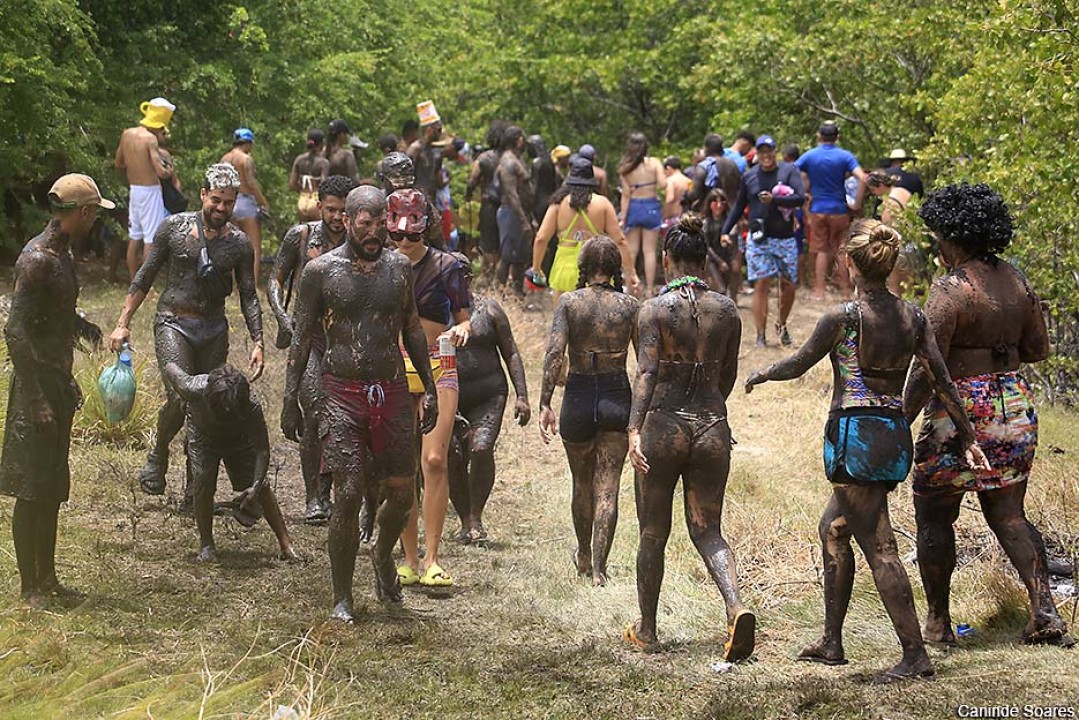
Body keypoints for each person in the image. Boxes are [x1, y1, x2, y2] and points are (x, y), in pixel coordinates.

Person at [745, 218, 989, 681]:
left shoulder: (845, 317)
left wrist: (762, 373)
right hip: (892, 432)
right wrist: (971, 437)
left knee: (881, 547)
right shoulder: (912, 317)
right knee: (834, 530)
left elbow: (799, 363)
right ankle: (832, 641)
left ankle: (915, 656)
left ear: (851, 264)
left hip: (855, 438)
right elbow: (940, 378)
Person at [904, 183, 1073, 648]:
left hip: (959, 411)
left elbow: (929, 364)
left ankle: (937, 625)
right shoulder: (1017, 281)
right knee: (1010, 514)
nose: (936, 246)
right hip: (1013, 403)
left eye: (938, 237)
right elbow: (1037, 349)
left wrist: (899, 419)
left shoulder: (951, 288)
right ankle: (1044, 611)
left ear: (955, 238)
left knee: (934, 516)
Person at [282, 185, 437, 621]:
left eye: (378, 222)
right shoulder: (322, 272)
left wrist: (427, 386)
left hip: (390, 390)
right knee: (348, 494)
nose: (371, 232)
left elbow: (411, 330)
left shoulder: (398, 269)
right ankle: (342, 596)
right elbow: (302, 337)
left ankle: (382, 553)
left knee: (403, 495)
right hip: (341, 392)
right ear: (346, 222)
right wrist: (290, 398)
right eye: (362, 223)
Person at [624, 215, 753, 661]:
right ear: (704, 260)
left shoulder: (654, 310)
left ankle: (648, 630)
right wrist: (711, 406)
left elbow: (647, 372)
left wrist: (635, 428)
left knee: (653, 531)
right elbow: (729, 374)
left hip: (664, 427)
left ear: (666, 261)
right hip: (713, 427)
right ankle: (736, 607)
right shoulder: (728, 310)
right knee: (708, 529)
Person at [110, 163, 265, 497]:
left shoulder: (239, 244)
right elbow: (145, 276)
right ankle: (159, 451)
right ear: (203, 195)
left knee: (208, 403)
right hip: (173, 323)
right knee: (182, 395)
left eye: (228, 202)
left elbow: (250, 295)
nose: (221, 208)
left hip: (213, 329)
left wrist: (258, 341)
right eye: (216, 201)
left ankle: (196, 487)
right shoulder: (173, 228)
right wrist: (123, 322)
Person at [1, 174, 110, 608]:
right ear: (82, 213)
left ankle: (48, 578)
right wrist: (35, 398)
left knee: (51, 487)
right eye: (95, 213)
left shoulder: (64, 255)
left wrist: (84, 329)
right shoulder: (38, 259)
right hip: (34, 384)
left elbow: (55, 314)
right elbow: (15, 331)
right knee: (31, 490)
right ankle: (30, 589)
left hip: (55, 379)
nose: (96, 221)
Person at [540, 236, 638, 586]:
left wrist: (545, 403)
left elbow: (554, 354)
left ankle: (583, 554)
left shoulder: (570, 302)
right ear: (614, 268)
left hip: (579, 397)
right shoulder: (629, 306)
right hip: (616, 396)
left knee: (581, 484)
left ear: (583, 268)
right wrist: (641, 416)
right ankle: (600, 569)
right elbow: (643, 366)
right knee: (608, 487)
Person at [388, 188, 473, 588]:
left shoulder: (447, 266)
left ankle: (433, 557)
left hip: (439, 362)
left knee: (434, 459)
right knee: (402, 465)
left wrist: (461, 329)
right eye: (398, 236)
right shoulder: (383, 266)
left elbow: (465, 316)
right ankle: (407, 557)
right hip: (393, 365)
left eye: (412, 236)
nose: (404, 243)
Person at [269, 175, 354, 524]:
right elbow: (275, 279)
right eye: (331, 209)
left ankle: (340, 490)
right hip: (311, 337)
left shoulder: (360, 240)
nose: (337, 217)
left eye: (344, 211)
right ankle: (313, 498)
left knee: (346, 418)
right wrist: (281, 316)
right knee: (315, 410)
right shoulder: (300, 236)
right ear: (319, 206)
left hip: (348, 340)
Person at [163, 363, 300, 563]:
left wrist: (254, 486)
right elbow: (169, 366)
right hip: (202, 435)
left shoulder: (251, 406)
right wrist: (177, 400)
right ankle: (207, 545)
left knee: (263, 487)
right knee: (203, 480)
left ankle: (286, 544)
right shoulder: (191, 387)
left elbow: (262, 449)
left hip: (238, 439)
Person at [449, 279, 531, 544]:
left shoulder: (490, 310)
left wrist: (522, 396)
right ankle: (463, 520)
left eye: (460, 275)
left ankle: (476, 516)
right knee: (453, 457)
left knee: (481, 448)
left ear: (470, 279)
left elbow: (512, 353)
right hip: (449, 395)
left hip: (489, 394)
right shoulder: (433, 309)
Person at [721, 135, 805, 346]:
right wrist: (725, 230)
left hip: (785, 237)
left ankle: (782, 324)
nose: (766, 156)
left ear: (775, 152)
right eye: (761, 152)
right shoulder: (749, 177)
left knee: (788, 284)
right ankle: (760, 335)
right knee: (761, 283)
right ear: (757, 154)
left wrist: (774, 200)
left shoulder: (789, 171)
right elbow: (739, 206)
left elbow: (800, 198)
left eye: (769, 151)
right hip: (759, 238)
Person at [530, 157, 638, 300]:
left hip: (564, 268)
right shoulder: (603, 204)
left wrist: (536, 269)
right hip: (597, 270)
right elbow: (620, 240)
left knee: (563, 318)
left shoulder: (558, 204)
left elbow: (541, 238)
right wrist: (631, 273)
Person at [795, 121, 867, 301]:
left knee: (821, 250)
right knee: (841, 249)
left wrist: (802, 194)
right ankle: (846, 291)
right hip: (839, 209)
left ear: (819, 136)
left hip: (818, 208)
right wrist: (857, 204)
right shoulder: (845, 156)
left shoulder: (810, 156)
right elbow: (863, 178)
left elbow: (791, 171)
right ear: (837, 137)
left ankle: (819, 291)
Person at [115, 97, 177, 280]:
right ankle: (145, 283)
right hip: (150, 190)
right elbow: (160, 172)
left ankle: (134, 279)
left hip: (134, 190)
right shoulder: (150, 140)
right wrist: (170, 169)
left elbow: (118, 163)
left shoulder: (127, 134)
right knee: (151, 238)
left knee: (135, 237)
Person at [618, 133, 667, 296]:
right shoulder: (654, 163)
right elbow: (663, 184)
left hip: (634, 206)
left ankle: (630, 287)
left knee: (631, 250)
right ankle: (650, 289)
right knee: (650, 251)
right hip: (651, 205)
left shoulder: (625, 167)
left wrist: (623, 218)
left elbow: (625, 195)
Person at [221, 128, 271, 282]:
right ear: (248, 143)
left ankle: (233, 284)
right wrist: (263, 202)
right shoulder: (245, 159)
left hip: (229, 201)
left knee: (233, 245)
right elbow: (250, 182)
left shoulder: (224, 158)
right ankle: (252, 284)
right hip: (246, 202)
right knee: (253, 247)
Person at [465, 122, 507, 281]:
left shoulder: (483, 158)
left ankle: (490, 276)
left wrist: (468, 195)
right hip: (507, 204)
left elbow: (472, 182)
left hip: (488, 203)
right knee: (503, 241)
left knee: (489, 243)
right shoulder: (509, 158)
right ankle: (501, 277)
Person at [496, 126, 535, 294]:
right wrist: (523, 220)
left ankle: (518, 293)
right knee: (507, 257)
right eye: (522, 138)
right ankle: (498, 292)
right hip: (511, 214)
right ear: (518, 140)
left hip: (519, 214)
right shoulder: (509, 162)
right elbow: (511, 194)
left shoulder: (517, 159)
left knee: (520, 257)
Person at [684, 133, 742, 217]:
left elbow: (693, 194)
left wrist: (687, 193)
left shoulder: (704, 166)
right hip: (730, 213)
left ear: (706, 149)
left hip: (709, 215)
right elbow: (739, 188)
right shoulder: (733, 165)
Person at [408, 100, 446, 204]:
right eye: (438, 130)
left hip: (431, 199)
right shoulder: (415, 149)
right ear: (429, 130)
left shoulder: (434, 150)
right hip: (416, 200)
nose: (440, 134)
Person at [701, 188, 738, 296]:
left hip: (728, 257)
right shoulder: (706, 223)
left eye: (722, 202)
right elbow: (706, 246)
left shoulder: (730, 222)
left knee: (729, 284)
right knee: (720, 289)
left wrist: (733, 258)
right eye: (715, 202)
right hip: (712, 260)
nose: (719, 206)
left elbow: (734, 242)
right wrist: (719, 261)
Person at [289, 128, 330, 222]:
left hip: (302, 200)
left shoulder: (299, 160)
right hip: (315, 200)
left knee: (304, 231)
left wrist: (302, 190)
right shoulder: (323, 163)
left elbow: (292, 184)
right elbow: (324, 185)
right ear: (322, 143)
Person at [528, 134, 558, 225]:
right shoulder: (550, 161)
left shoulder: (536, 162)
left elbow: (534, 186)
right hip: (549, 199)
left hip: (539, 202)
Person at [325, 119, 360, 184]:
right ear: (341, 134)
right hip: (342, 192)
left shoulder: (322, 153)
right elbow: (354, 179)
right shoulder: (346, 154)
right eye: (345, 134)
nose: (346, 137)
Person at [661, 156, 691, 229]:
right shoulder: (689, 181)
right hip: (685, 218)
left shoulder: (670, 181)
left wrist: (663, 216)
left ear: (668, 168)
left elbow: (670, 199)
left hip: (672, 218)